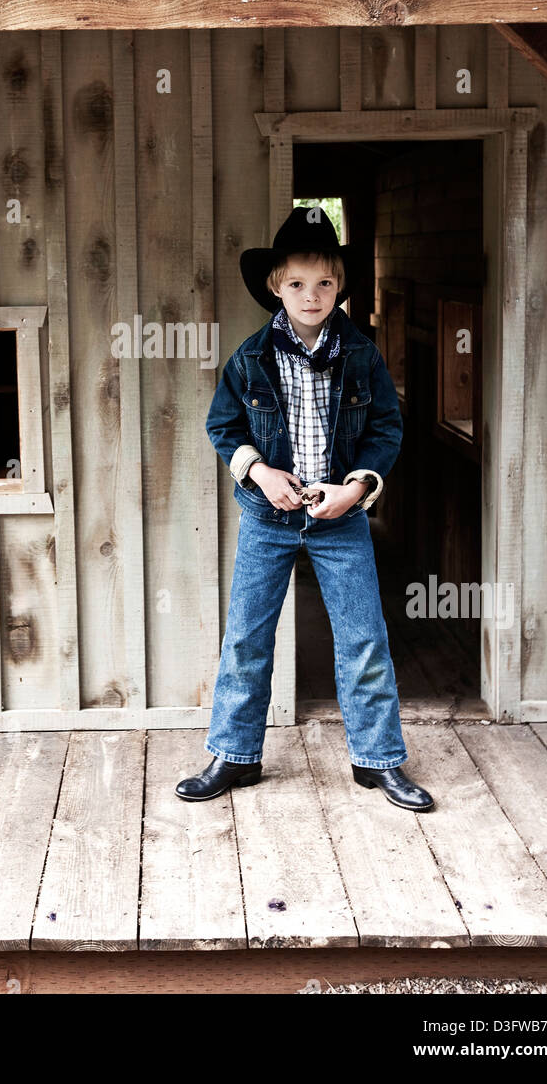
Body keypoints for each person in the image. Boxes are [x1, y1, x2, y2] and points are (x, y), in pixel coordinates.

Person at [175, 205, 433, 811]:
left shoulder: (362, 355)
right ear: (274, 286)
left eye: (323, 283)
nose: (310, 295)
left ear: (340, 283)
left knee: (363, 636)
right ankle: (234, 754)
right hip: (270, 517)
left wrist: (359, 487)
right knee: (246, 636)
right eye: (296, 283)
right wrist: (260, 473)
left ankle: (379, 761)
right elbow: (224, 426)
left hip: (338, 517)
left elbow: (386, 429)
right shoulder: (250, 358)